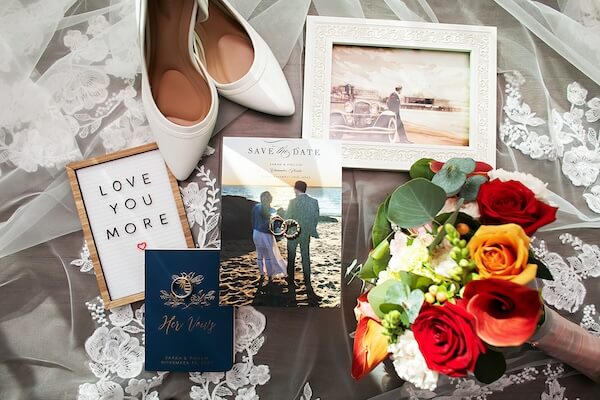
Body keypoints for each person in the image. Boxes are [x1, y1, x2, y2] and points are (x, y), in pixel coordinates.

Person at [285, 180, 321, 305]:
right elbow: (316, 217)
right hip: (306, 234)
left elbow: (287, 218)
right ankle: (308, 284)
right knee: (305, 258)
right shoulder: (314, 202)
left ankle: (291, 282)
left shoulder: (292, 202)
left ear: (295, 189)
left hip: (293, 234)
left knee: (291, 258)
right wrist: (310, 229)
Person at [251, 191, 286, 286]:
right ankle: (270, 276)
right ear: (271, 199)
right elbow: (275, 226)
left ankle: (262, 275)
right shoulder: (273, 211)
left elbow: (253, 221)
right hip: (266, 235)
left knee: (259, 255)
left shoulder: (256, 207)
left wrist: (254, 230)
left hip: (256, 233)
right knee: (268, 257)